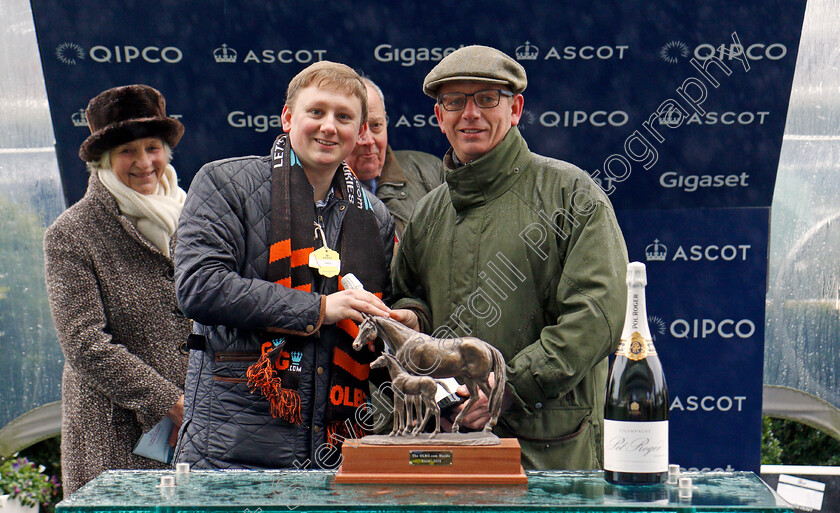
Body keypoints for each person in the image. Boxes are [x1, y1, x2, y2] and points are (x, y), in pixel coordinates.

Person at [389, 46, 629, 470]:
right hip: (452, 450)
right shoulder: (428, 213)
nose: (470, 113)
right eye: (455, 101)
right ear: (439, 116)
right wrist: (412, 320)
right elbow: (411, 297)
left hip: (549, 457)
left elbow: (597, 317)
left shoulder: (572, 194)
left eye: (486, 98)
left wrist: (507, 387)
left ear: (515, 108)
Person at [173, 61, 395, 470]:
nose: (329, 126)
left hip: (337, 453)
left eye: (344, 117)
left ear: (360, 131)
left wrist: (399, 322)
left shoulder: (375, 217)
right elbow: (199, 286)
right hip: (232, 453)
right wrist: (320, 311)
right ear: (288, 117)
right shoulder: (225, 183)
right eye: (317, 112)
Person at [43, 85, 191, 495]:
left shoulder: (194, 215)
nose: (144, 162)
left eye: (152, 147)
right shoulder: (72, 234)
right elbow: (84, 344)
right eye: (128, 151)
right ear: (104, 161)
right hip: (114, 436)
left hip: (199, 429)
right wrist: (170, 402)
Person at [345, 77, 445, 237]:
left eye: (376, 125)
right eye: (357, 129)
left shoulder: (429, 171)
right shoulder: (317, 189)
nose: (369, 140)